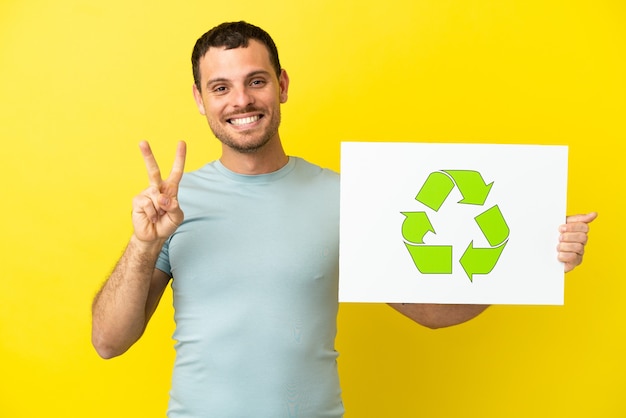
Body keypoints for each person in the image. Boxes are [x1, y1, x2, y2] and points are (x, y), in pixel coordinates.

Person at [91, 21, 598, 417]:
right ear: (201, 100)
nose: (241, 100)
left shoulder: (347, 197)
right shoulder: (172, 206)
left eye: (256, 81)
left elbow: (432, 312)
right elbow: (108, 342)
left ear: (282, 85)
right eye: (220, 87)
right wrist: (143, 246)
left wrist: (534, 262)